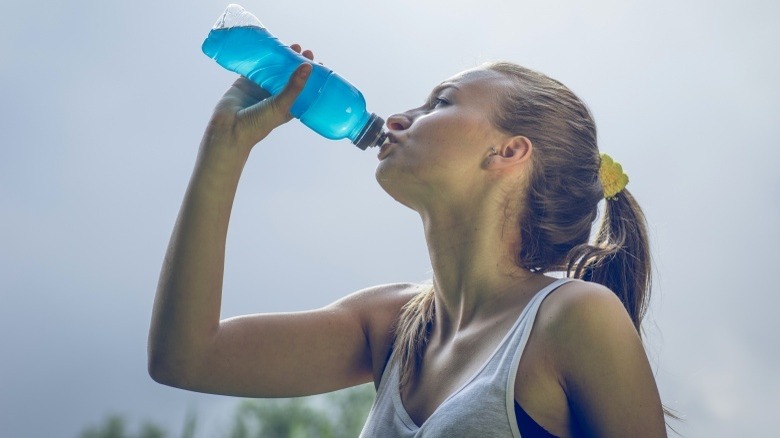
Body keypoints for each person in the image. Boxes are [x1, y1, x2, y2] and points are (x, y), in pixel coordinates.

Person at [148, 45, 668, 437]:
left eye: (439, 102)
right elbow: (186, 357)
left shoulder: (573, 316)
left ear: (508, 151)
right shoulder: (391, 325)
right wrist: (226, 143)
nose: (397, 119)